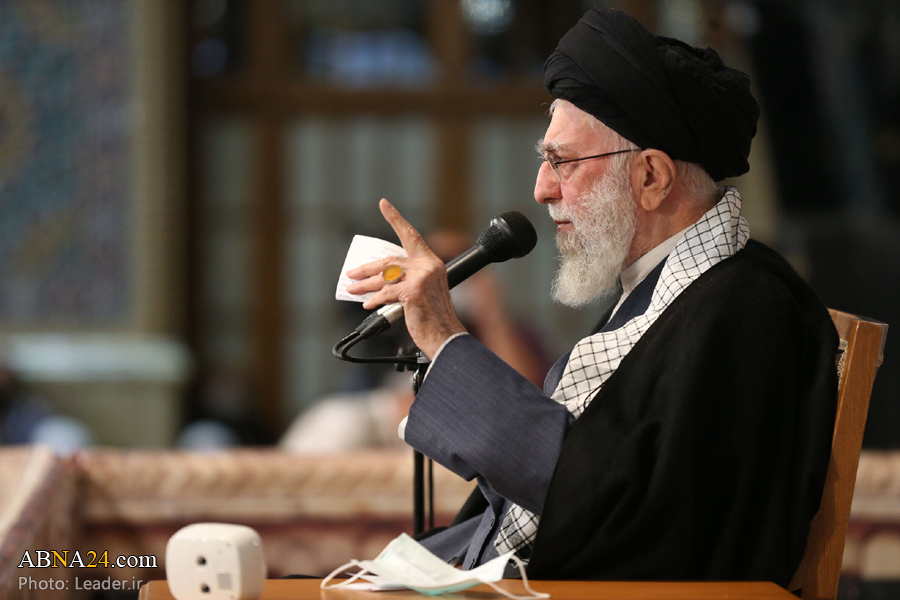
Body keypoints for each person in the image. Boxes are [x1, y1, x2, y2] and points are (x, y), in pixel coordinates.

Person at [345, 7, 838, 586]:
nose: (541, 188)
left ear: (651, 177)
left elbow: (612, 506)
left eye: (562, 161)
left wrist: (443, 337)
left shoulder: (746, 309)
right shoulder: (669, 292)